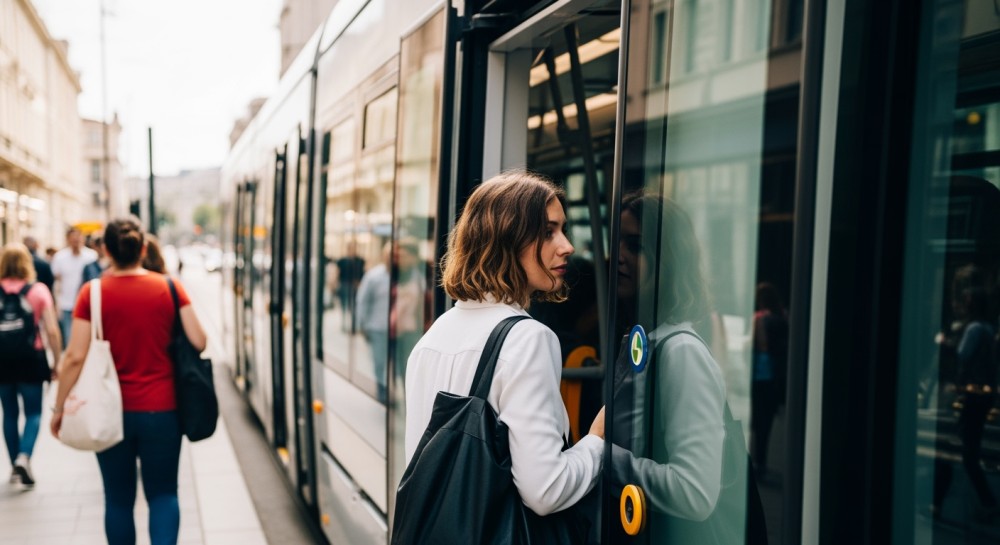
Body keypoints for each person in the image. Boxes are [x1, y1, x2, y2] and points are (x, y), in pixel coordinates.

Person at [404, 171, 604, 522]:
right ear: (506, 241)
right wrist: (597, 441)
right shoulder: (528, 339)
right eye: (547, 232)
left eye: (563, 229)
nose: (567, 245)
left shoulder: (433, 337)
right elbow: (546, 490)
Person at [50, 217, 208, 545]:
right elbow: (200, 340)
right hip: (163, 410)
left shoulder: (91, 293)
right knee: (164, 493)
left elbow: (75, 356)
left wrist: (59, 407)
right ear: (144, 248)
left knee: (118, 499)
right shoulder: (169, 287)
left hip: (110, 412)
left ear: (105, 250)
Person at [611, 191, 729, 543]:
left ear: (669, 260)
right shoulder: (648, 339)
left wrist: (601, 457)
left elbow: (695, 492)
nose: (618, 256)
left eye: (635, 246)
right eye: (618, 243)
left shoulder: (680, 351)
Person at [932, 264, 999, 521]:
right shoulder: (987, 328)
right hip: (981, 397)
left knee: (961, 450)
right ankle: (940, 501)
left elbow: (962, 356)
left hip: (970, 397)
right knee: (958, 448)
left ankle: (985, 501)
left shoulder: (973, 330)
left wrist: (943, 343)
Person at [0, 243, 61, 487]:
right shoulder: (38, 290)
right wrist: (57, 362)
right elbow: (53, 330)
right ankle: (24, 458)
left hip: (2, 360)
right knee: (34, 412)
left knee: (10, 413)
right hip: (31, 359)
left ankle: (15, 462)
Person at [750, 282, 788, 478]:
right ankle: (761, 461)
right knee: (766, 422)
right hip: (775, 377)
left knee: (757, 420)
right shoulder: (783, 318)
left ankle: (757, 461)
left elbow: (760, 345)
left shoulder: (760, 319)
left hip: (759, 375)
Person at [50, 227, 98, 348]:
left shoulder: (91, 256)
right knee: (69, 339)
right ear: (68, 240)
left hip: (89, 303)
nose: (76, 241)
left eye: (78, 238)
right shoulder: (60, 257)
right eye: (73, 238)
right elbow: (56, 281)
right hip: (67, 303)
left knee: (88, 339)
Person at [356, 242, 391, 402]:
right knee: (379, 361)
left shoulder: (409, 275)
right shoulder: (374, 276)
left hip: (401, 330)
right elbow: (363, 301)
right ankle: (381, 389)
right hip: (378, 328)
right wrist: (361, 325)